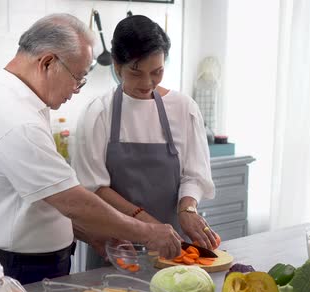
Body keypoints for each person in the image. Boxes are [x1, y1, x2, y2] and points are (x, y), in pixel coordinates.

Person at [0, 13, 181, 292]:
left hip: (21, 266)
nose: (77, 88)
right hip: (7, 272)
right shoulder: (16, 119)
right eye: (78, 77)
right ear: (47, 63)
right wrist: (147, 232)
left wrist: (91, 233)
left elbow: (38, 199)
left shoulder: (19, 98)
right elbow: (71, 200)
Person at [72, 15, 217, 270]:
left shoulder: (184, 108)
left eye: (157, 72)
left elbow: (194, 175)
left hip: (173, 248)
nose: (147, 83)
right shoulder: (98, 113)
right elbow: (94, 187)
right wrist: (147, 227)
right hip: (118, 249)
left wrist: (188, 209)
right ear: (117, 66)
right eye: (135, 72)